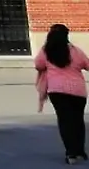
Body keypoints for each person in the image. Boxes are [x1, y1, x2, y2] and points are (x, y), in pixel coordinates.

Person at [35, 23, 89, 163]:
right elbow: (87, 64)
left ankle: (70, 154)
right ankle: (80, 151)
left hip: (57, 91)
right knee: (77, 121)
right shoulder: (76, 51)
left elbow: (38, 65)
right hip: (78, 91)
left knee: (65, 121)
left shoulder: (46, 51)